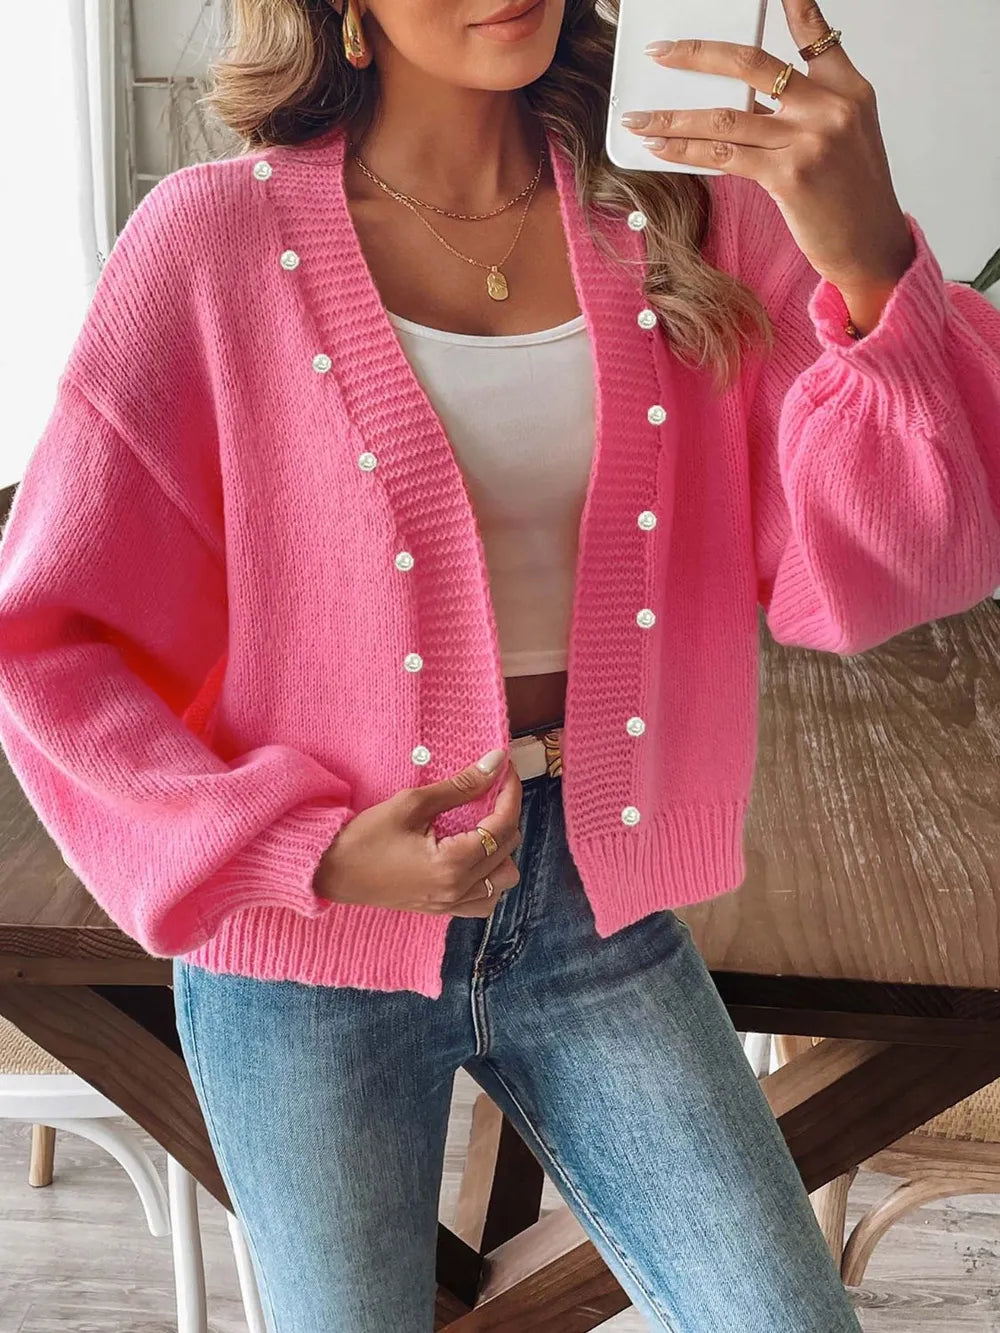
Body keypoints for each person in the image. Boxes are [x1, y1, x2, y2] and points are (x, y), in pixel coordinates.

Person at [1, 0, 999, 1328]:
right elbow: (50, 640)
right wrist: (299, 849)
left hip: (597, 906)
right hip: (307, 955)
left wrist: (871, 264)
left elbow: (917, 554)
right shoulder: (211, 239)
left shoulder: (690, 216)